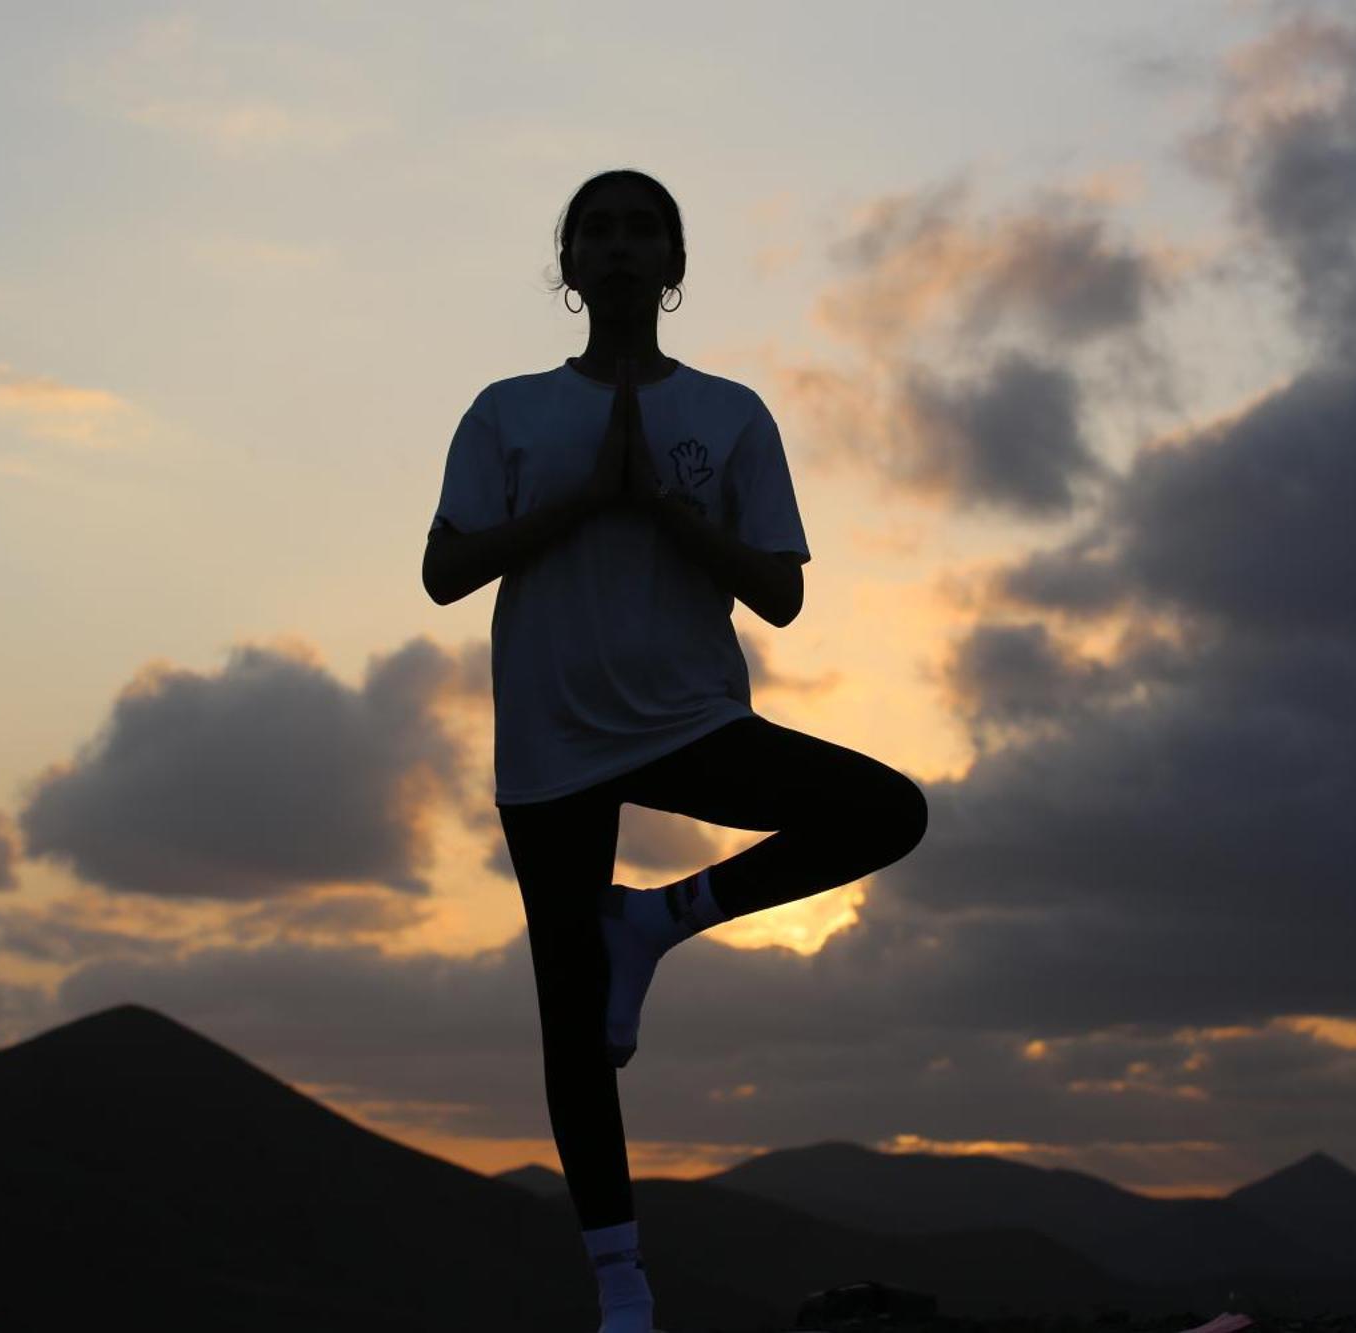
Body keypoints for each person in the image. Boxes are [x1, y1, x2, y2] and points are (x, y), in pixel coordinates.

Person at [421, 169, 928, 1333]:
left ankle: (655, 918)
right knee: (567, 1017)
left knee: (884, 810)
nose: (616, 245)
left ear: (674, 263)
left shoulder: (731, 413)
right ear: (568, 264)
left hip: (689, 716)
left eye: (639, 227)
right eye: (594, 229)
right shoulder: (505, 410)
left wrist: (660, 508)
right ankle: (622, 1295)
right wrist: (586, 498)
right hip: (550, 737)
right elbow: (446, 571)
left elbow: (781, 596)